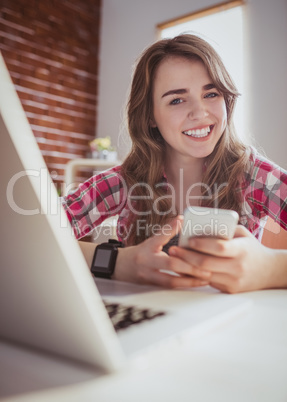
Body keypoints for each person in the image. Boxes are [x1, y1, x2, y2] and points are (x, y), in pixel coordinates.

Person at [62, 34, 287, 293]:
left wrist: (271, 267)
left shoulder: (254, 175)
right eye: (177, 100)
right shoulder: (124, 182)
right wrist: (117, 261)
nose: (200, 112)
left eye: (211, 93)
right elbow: (28, 236)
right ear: (150, 117)